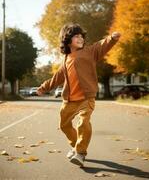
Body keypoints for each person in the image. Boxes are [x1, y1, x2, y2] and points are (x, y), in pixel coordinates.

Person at [37, 23, 121, 167]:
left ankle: (80, 153)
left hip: (86, 98)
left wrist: (111, 39)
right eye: (76, 36)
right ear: (67, 39)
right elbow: (56, 78)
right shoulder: (65, 59)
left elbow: (100, 45)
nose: (81, 38)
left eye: (82, 36)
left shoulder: (89, 52)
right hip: (69, 100)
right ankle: (76, 146)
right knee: (64, 125)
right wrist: (43, 87)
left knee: (83, 123)